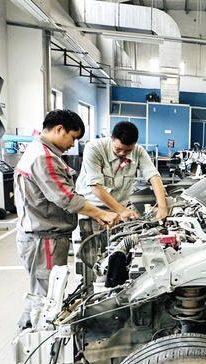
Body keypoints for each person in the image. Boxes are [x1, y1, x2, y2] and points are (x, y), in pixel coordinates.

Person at [14, 109, 121, 331]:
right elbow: (66, 198)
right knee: (46, 297)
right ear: (59, 129)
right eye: (73, 137)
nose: (73, 144)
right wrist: (101, 214)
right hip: (45, 238)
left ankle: (29, 329)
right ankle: (39, 339)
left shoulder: (40, 151)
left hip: (42, 235)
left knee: (41, 290)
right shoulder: (44, 157)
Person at [76, 121, 168, 222]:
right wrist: (123, 211)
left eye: (128, 150)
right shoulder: (94, 149)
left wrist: (162, 208)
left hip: (119, 209)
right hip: (93, 209)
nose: (122, 153)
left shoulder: (138, 151)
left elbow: (153, 176)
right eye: (118, 149)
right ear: (112, 137)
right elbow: (96, 187)